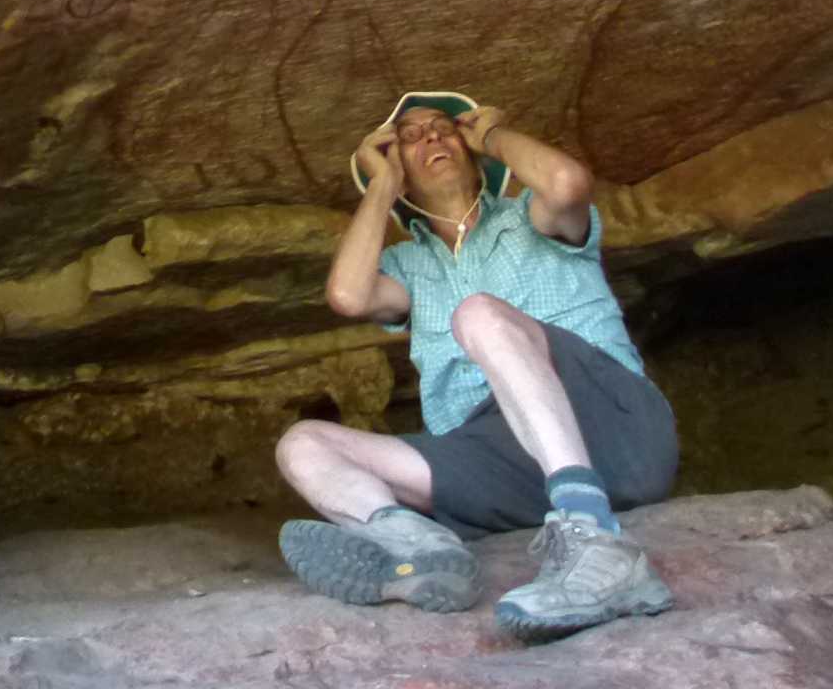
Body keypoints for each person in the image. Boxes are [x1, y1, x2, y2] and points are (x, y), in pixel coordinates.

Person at [274, 91, 678, 642]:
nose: (431, 139)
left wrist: (489, 134)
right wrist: (381, 185)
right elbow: (348, 295)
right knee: (303, 444)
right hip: (505, 467)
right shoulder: (407, 267)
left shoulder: (530, 219)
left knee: (479, 316)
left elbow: (566, 184)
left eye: (442, 129)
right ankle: (422, 551)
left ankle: (597, 540)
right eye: (410, 139)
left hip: (615, 429)